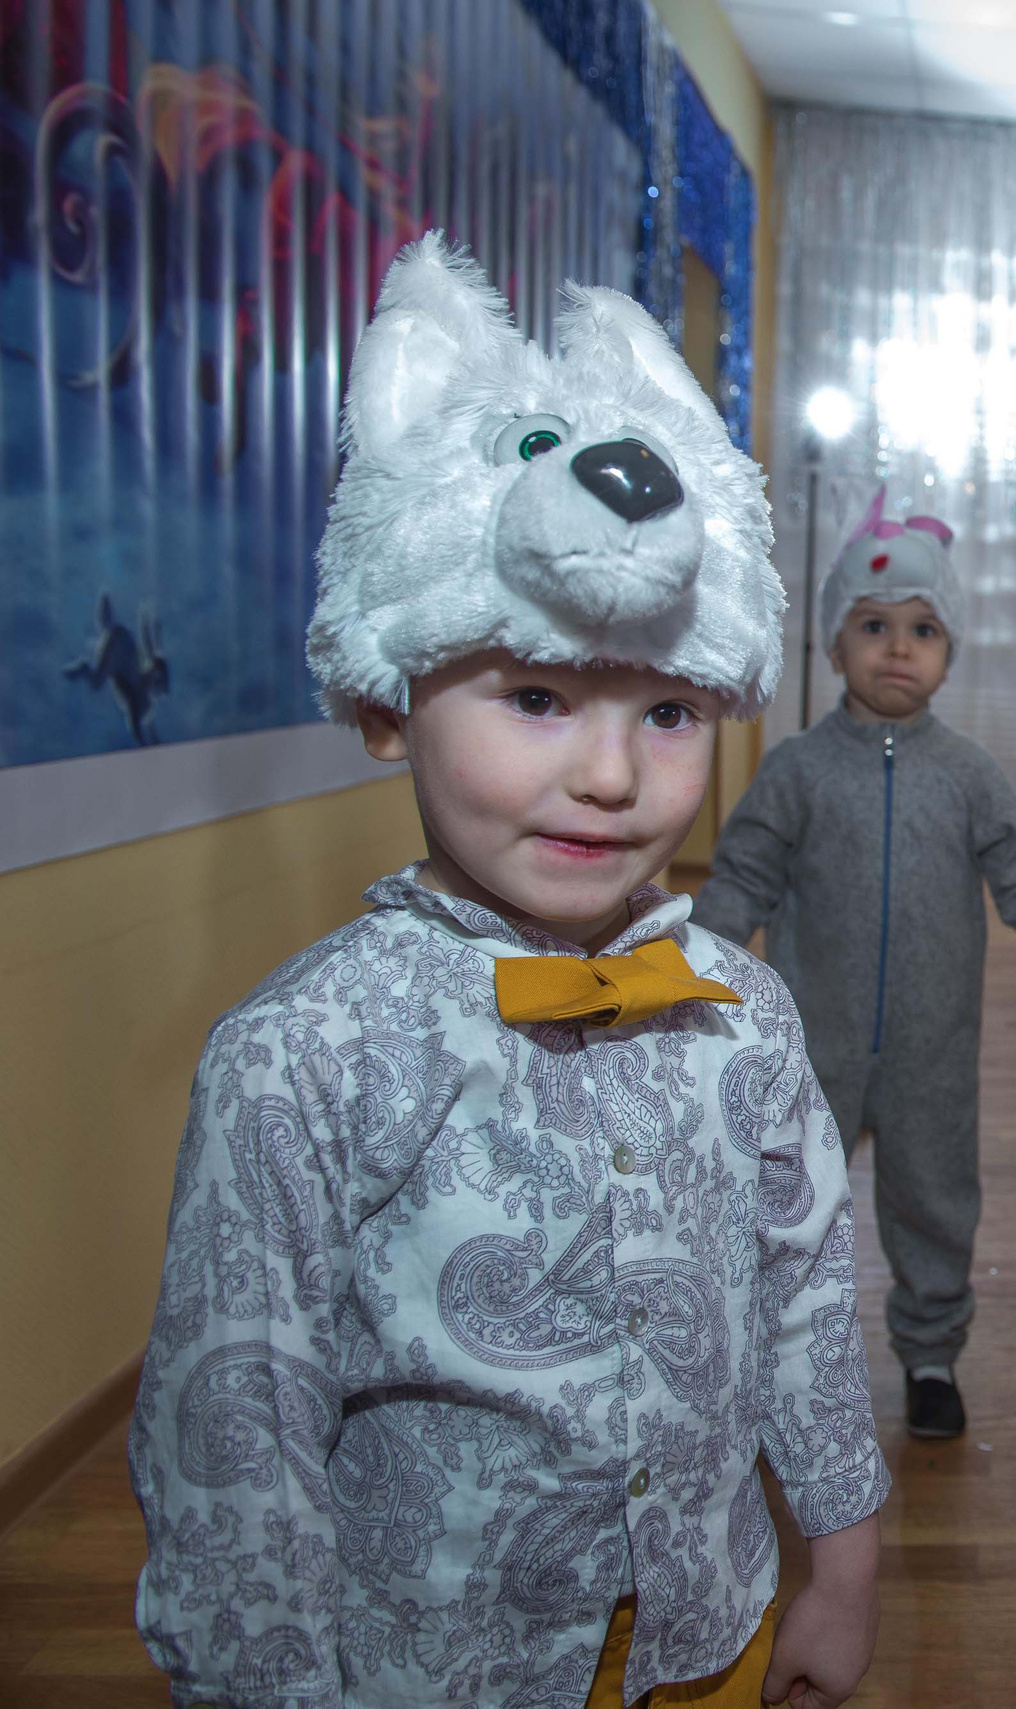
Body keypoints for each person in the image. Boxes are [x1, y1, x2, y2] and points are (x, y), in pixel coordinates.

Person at [130, 233, 887, 1709]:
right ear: (382, 702)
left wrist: (843, 1567)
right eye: (535, 697)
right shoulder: (299, 1057)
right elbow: (236, 1441)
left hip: (708, 1637)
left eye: (669, 712)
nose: (610, 774)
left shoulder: (746, 1014)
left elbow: (805, 1301)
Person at [693, 492, 1016, 1443]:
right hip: (810, 1044)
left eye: (923, 629)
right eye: (873, 625)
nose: (898, 647)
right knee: (787, 1202)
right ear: (834, 644)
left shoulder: (971, 772)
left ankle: (932, 1351)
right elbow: (739, 881)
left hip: (935, 1048)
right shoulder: (797, 771)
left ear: (949, 652)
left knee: (935, 1198)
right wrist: (687, 968)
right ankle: (777, 1361)